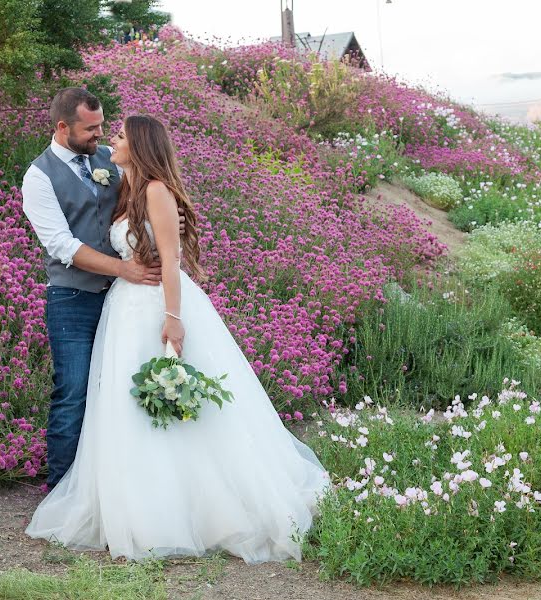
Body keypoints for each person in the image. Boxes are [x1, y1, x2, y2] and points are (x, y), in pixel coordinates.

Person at [25, 114, 329, 563]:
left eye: (120, 135)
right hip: (122, 307)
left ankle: (190, 508)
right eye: (104, 132)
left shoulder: (155, 191)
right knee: (123, 408)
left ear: (139, 146)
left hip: (154, 306)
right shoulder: (123, 184)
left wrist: (173, 318)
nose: (110, 141)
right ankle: (127, 505)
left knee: (171, 401)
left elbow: (171, 261)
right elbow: (73, 239)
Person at [22, 88, 183, 491]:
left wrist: (167, 224)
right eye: (90, 129)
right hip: (72, 297)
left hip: (125, 301)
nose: (101, 135)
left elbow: (149, 194)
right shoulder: (38, 176)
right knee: (74, 390)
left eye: (103, 126)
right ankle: (62, 491)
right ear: (63, 127)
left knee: (118, 389)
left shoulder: (110, 160)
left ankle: (118, 488)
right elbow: (60, 244)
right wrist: (124, 268)